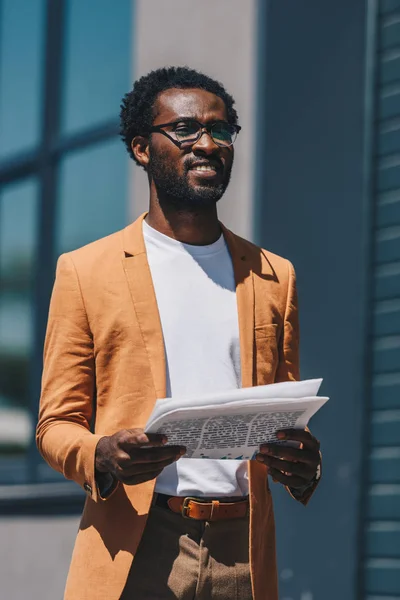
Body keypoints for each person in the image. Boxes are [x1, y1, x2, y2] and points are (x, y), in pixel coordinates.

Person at [36, 66, 321, 600]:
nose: (208, 144)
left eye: (221, 130)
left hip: (243, 549)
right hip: (138, 542)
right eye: (186, 130)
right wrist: (101, 454)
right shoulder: (86, 270)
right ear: (143, 148)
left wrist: (302, 462)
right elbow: (55, 424)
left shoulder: (274, 275)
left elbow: (284, 413)